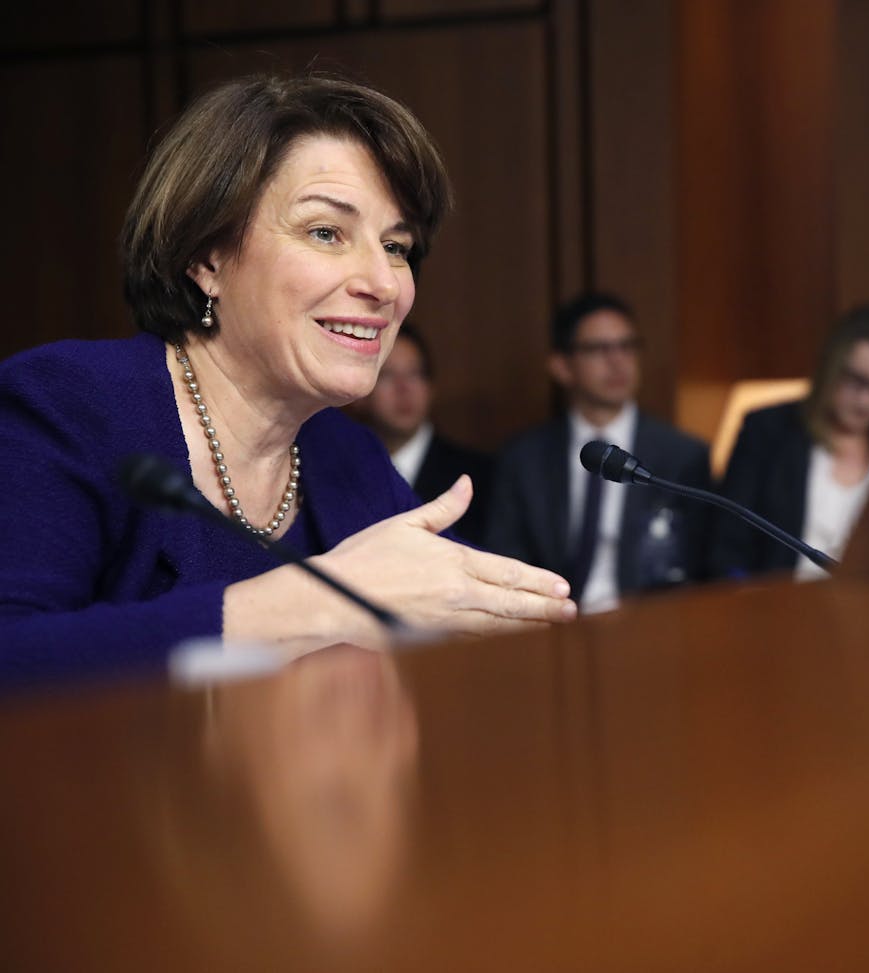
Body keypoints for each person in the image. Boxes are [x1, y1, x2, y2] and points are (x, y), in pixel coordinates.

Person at [0, 73, 574, 679]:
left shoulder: (347, 456)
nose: (382, 284)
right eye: (326, 232)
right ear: (206, 258)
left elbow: (506, 633)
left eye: (397, 246)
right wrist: (319, 601)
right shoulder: (65, 406)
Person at [482, 292, 711, 613]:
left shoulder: (683, 455)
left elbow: (701, 569)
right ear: (561, 366)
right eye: (599, 349)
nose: (617, 361)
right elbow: (504, 557)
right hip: (550, 625)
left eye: (627, 346)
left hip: (651, 626)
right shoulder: (523, 459)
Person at [709, 302, 869, 580]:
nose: (866, 401)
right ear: (831, 368)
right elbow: (726, 552)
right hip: (779, 611)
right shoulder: (768, 431)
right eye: (856, 380)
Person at [351, 323, 492, 543]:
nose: (404, 389)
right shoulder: (340, 469)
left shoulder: (480, 475)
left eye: (414, 374)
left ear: (431, 388)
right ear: (360, 393)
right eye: (387, 375)